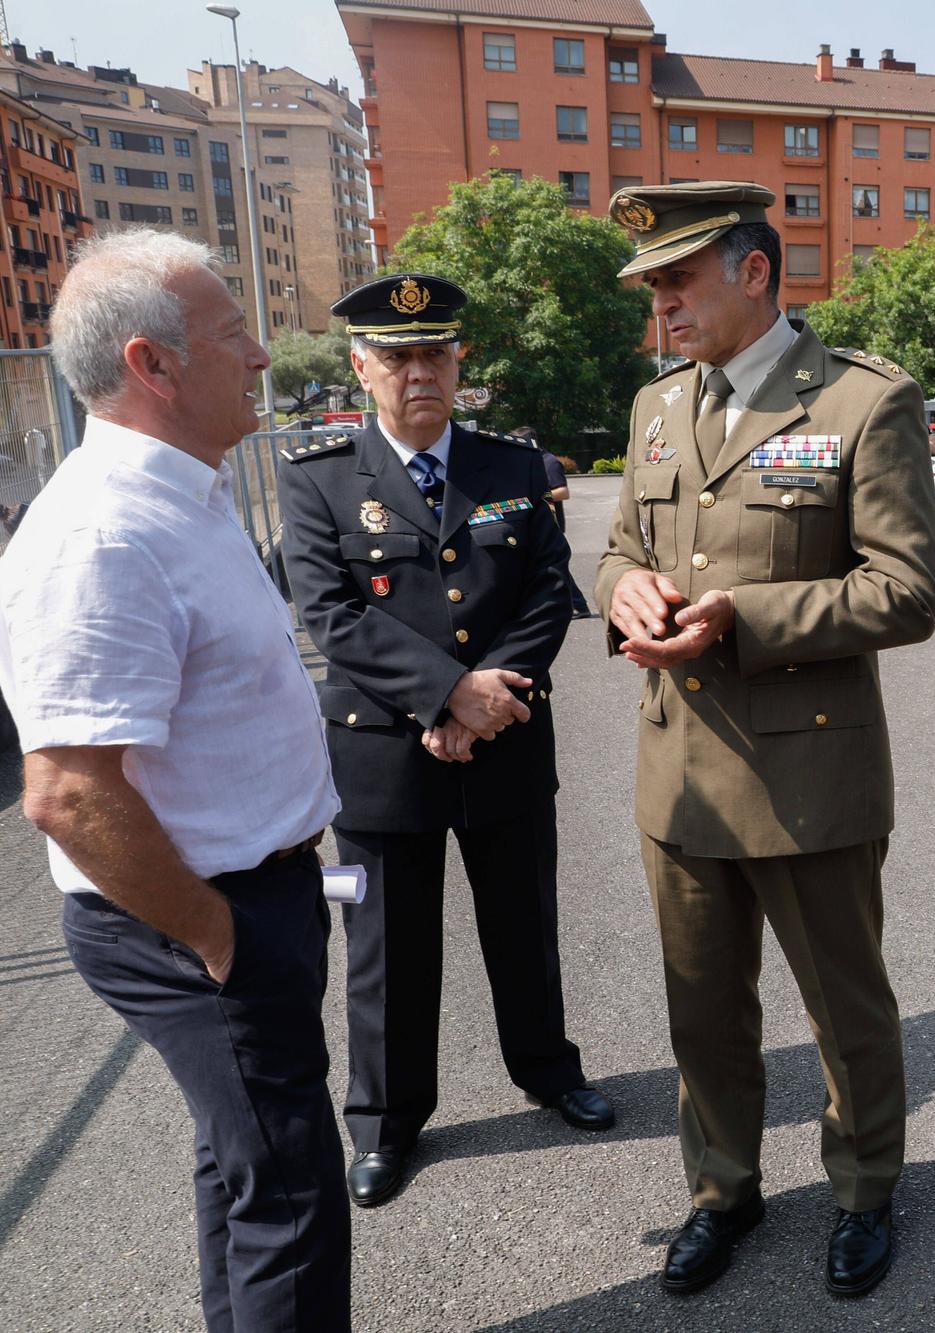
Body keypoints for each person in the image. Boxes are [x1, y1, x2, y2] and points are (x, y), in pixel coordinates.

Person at [594, 182, 935, 1299]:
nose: (661, 304)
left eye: (677, 278)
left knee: (843, 1006)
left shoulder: (859, 400)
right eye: (650, 286)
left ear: (753, 271)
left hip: (809, 771)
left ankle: (863, 1185)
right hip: (678, 770)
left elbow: (904, 590)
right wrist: (626, 592)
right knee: (702, 1008)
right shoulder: (657, 407)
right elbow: (614, 550)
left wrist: (744, 617)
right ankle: (722, 1188)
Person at [6, 230, 348, 1328]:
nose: (259, 358)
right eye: (235, 335)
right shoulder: (103, 532)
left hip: (254, 892)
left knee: (246, 1160)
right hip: (192, 914)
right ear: (154, 365)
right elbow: (68, 791)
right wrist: (217, 937)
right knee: (289, 1187)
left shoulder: (181, 494)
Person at [278, 273, 613, 1211]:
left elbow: (551, 589)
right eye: (397, 355)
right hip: (385, 751)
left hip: (505, 734)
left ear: (459, 360)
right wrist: (446, 693)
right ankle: (385, 1122)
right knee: (387, 945)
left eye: (435, 353)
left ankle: (547, 1069)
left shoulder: (512, 467)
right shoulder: (318, 476)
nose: (419, 371)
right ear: (361, 366)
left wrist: (489, 694)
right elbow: (330, 613)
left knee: (524, 921)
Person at [529, 430, 593, 617]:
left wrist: (532, 497)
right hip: (537, 522)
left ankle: (579, 605)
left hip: (551, 523)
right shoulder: (532, 460)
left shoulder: (549, 462)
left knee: (553, 565)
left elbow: (563, 492)